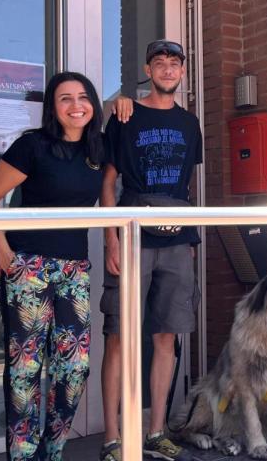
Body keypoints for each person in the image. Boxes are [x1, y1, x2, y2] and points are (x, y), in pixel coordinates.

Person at [0, 72, 106, 460]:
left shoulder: (98, 151)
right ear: (52, 107)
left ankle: (52, 451)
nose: (76, 106)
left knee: (74, 367)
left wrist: (123, 104)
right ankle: (23, 456)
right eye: (65, 99)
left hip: (73, 270)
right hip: (28, 266)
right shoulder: (32, 145)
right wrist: (3, 253)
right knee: (26, 370)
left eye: (83, 98)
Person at [99, 39, 202, 461]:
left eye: (174, 64)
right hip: (133, 232)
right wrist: (111, 237)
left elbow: (188, 185)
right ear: (148, 69)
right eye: (159, 63)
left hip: (178, 238)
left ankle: (155, 430)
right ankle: (111, 437)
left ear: (182, 72)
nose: (167, 69)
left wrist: (192, 239)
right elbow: (108, 180)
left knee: (166, 337)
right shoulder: (125, 114)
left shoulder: (189, 122)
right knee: (119, 336)